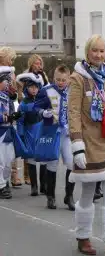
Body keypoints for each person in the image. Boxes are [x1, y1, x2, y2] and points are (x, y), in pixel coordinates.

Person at [68, 34, 105, 256]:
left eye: (102, 51)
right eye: (95, 51)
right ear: (87, 53)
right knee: (88, 192)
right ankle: (83, 237)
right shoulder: (78, 79)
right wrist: (77, 144)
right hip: (89, 143)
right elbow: (72, 113)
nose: (99, 55)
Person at [33, 64, 75, 210]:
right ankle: (50, 196)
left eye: (64, 80)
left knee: (71, 163)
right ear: (53, 78)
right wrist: (43, 113)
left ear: (69, 79)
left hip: (67, 133)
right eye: (58, 79)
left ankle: (69, 196)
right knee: (52, 163)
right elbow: (36, 107)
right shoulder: (46, 91)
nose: (61, 82)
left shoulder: (73, 91)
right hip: (52, 130)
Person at [16, 54, 49, 186]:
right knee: (29, 151)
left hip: (39, 111)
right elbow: (20, 89)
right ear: (31, 64)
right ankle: (27, 176)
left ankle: (42, 182)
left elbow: (47, 87)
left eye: (40, 63)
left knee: (40, 153)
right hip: (28, 107)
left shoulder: (43, 75)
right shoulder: (26, 76)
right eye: (36, 63)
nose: (39, 65)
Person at [16, 73, 44, 196]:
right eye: (31, 87)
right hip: (30, 133)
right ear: (26, 88)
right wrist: (21, 136)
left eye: (36, 87)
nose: (34, 89)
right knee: (32, 159)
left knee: (44, 158)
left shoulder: (43, 101)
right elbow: (20, 122)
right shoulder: (23, 104)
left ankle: (44, 186)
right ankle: (34, 186)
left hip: (42, 132)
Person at [0, 66, 22, 199]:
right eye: (6, 80)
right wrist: (8, 117)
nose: (8, 83)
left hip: (7, 130)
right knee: (1, 160)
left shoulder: (5, 95)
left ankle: (5, 181)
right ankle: (1, 185)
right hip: (0, 131)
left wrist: (14, 115)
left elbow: (12, 104)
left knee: (9, 159)